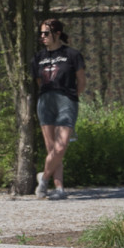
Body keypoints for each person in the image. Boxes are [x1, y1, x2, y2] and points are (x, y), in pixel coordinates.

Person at [32, 18, 85, 200]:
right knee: (51, 148)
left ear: (57, 34)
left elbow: (82, 81)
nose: (42, 37)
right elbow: (39, 82)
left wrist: (70, 98)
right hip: (45, 101)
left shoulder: (72, 54)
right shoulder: (39, 57)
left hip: (66, 101)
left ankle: (44, 179)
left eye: (46, 33)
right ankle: (59, 188)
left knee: (60, 147)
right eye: (41, 34)